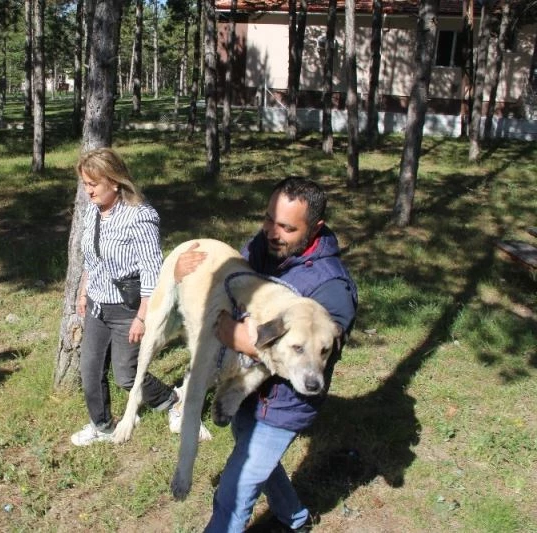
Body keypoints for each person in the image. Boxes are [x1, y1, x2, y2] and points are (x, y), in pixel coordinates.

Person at [175, 177, 358, 532]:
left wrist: (241, 339)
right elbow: (228, 282)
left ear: (315, 228)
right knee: (258, 460)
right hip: (244, 391)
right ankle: (297, 518)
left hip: (285, 404)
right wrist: (185, 272)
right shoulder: (264, 246)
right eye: (269, 220)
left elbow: (319, 355)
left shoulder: (330, 287)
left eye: (288, 227)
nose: (273, 233)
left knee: (235, 488)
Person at [71, 147, 182, 446]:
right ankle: (103, 424)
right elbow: (91, 259)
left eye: (94, 184)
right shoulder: (92, 213)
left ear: (115, 181)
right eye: (85, 183)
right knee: (90, 372)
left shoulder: (140, 216)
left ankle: (172, 400)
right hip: (97, 305)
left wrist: (142, 317)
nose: (88, 190)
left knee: (126, 376)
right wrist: (84, 292)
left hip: (127, 309)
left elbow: (152, 271)